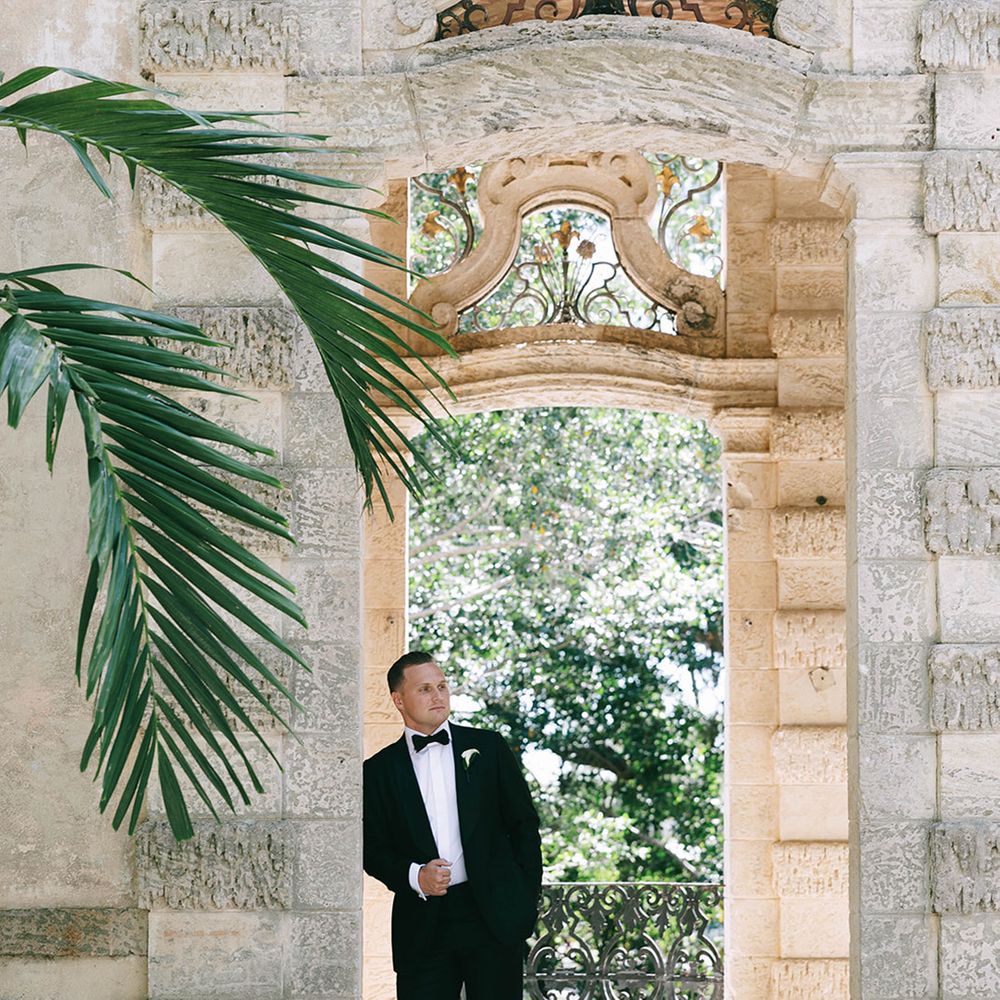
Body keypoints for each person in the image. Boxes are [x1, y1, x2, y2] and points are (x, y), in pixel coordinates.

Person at [363, 650, 543, 1000]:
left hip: (492, 918)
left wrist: (524, 900)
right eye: (424, 689)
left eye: (442, 686)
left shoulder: (489, 748)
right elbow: (371, 848)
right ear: (398, 700)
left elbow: (524, 825)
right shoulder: (378, 771)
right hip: (422, 926)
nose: (438, 695)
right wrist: (416, 876)